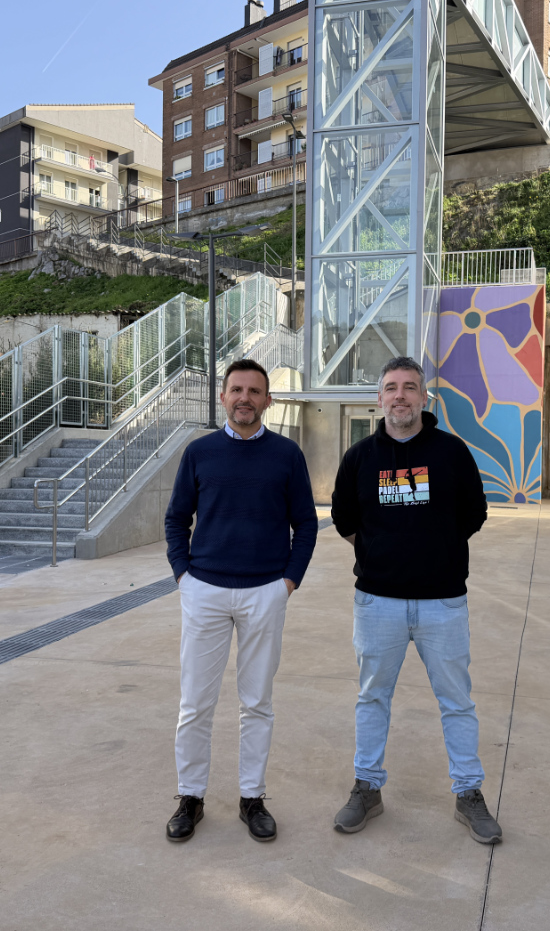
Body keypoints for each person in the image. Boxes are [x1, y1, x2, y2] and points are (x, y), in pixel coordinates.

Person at [329, 356, 501, 844]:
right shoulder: (359, 457)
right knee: (371, 698)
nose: (400, 395)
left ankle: (469, 794)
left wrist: (436, 551)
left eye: (410, 387)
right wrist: (383, 553)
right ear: (378, 398)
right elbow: (344, 519)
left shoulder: (451, 452)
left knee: (457, 702)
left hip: (442, 603)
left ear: (425, 397)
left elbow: (475, 511)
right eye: (391, 388)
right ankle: (367, 788)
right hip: (377, 602)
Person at [163, 358, 318, 843]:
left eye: (255, 391)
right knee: (195, 703)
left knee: (257, 702)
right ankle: (191, 797)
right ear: (223, 397)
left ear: (267, 400)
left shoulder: (287, 455)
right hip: (204, 591)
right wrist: (184, 578)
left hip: (265, 592)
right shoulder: (199, 452)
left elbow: (307, 524)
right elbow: (175, 520)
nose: (245, 398)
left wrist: (287, 582)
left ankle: (252, 797)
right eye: (236, 390)